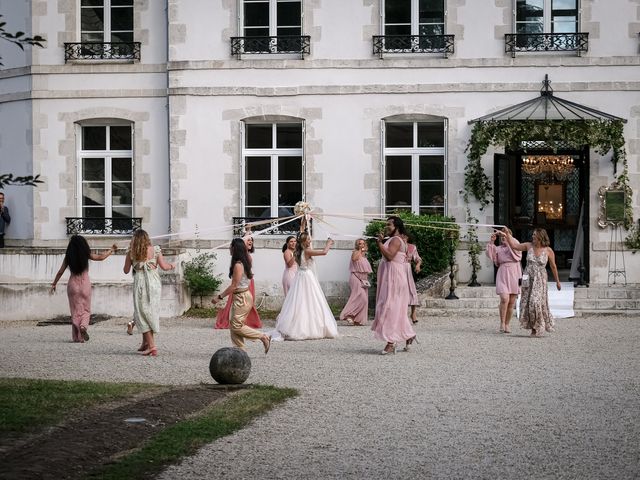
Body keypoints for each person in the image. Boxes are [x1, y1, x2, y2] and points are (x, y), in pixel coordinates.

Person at [50, 235, 116, 343]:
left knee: (74, 310)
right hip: (85, 284)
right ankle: (83, 326)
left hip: (72, 285)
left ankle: (77, 337)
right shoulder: (86, 254)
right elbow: (101, 257)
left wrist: (54, 283)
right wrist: (111, 250)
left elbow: (60, 272)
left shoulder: (68, 257)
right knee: (86, 309)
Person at [274, 232, 338, 340]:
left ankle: (297, 325)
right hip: (306, 277)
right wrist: (329, 243)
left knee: (300, 301)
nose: (310, 241)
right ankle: (308, 327)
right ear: (304, 242)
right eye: (308, 239)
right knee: (310, 300)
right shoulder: (306, 251)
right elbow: (324, 252)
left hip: (299, 277)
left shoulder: (298, 252)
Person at [212, 238, 271, 353]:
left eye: (230, 246)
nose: (229, 248)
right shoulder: (241, 262)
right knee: (234, 324)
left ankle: (263, 336)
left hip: (242, 297)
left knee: (236, 326)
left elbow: (234, 286)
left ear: (235, 248)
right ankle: (240, 350)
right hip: (240, 296)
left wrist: (219, 297)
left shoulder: (238, 265)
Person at [500, 228, 561, 337]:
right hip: (528, 278)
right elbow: (515, 246)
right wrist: (507, 234)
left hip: (540, 279)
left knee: (536, 302)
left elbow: (553, 266)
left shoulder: (548, 250)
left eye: (534, 235)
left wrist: (557, 281)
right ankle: (534, 328)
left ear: (540, 237)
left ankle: (539, 325)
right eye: (532, 234)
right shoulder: (528, 246)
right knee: (528, 303)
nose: (532, 236)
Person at [123, 229, 175, 356]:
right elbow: (164, 266)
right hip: (154, 283)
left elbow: (125, 270)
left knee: (142, 313)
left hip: (141, 282)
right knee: (149, 311)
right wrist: (172, 266)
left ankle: (152, 346)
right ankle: (145, 343)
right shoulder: (155, 249)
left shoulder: (131, 252)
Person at [370, 216, 417, 355]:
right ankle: (408, 334)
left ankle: (391, 342)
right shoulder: (393, 239)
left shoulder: (396, 240)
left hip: (394, 277)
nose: (387, 227)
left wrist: (379, 243)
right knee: (394, 308)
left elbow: (390, 256)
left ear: (396, 226)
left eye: (389, 225)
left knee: (390, 307)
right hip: (390, 276)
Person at [214, 234, 262, 329]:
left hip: (243, 286)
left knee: (237, 321)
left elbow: (235, 285)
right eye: (248, 240)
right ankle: (239, 326)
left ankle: (260, 336)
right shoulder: (241, 259)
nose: (250, 242)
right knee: (236, 321)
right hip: (242, 285)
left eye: (251, 240)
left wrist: (219, 297)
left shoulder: (239, 263)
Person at [486, 227, 522, 334]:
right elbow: (490, 254)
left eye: (505, 236)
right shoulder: (499, 249)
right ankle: (502, 322)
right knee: (504, 298)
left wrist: (507, 235)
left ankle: (507, 324)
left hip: (515, 273)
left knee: (511, 302)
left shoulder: (515, 245)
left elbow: (516, 247)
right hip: (502, 273)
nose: (503, 238)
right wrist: (492, 242)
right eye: (501, 236)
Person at [339, 238, 372, 326]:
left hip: (363, 280)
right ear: (357, 245)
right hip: (356, 278)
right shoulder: (355, 253)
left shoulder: (364, 256)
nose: (362, 245)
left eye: (363, 244)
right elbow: (354, 259)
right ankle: (347, 315)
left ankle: (357, 319)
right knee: (360, 297)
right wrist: (360, 250)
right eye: (360, 244)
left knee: (364, 299)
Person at [403, 234, 423, 324]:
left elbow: (418, 259)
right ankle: (402, 315)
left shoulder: (412, 247)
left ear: (408, 237)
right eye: (401, 236)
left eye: (404, 236)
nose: (403, 238)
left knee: (412, 291)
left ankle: (413, 313)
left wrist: (418, 265)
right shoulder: (396, 246)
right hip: (397, 269)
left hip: (407, 269)